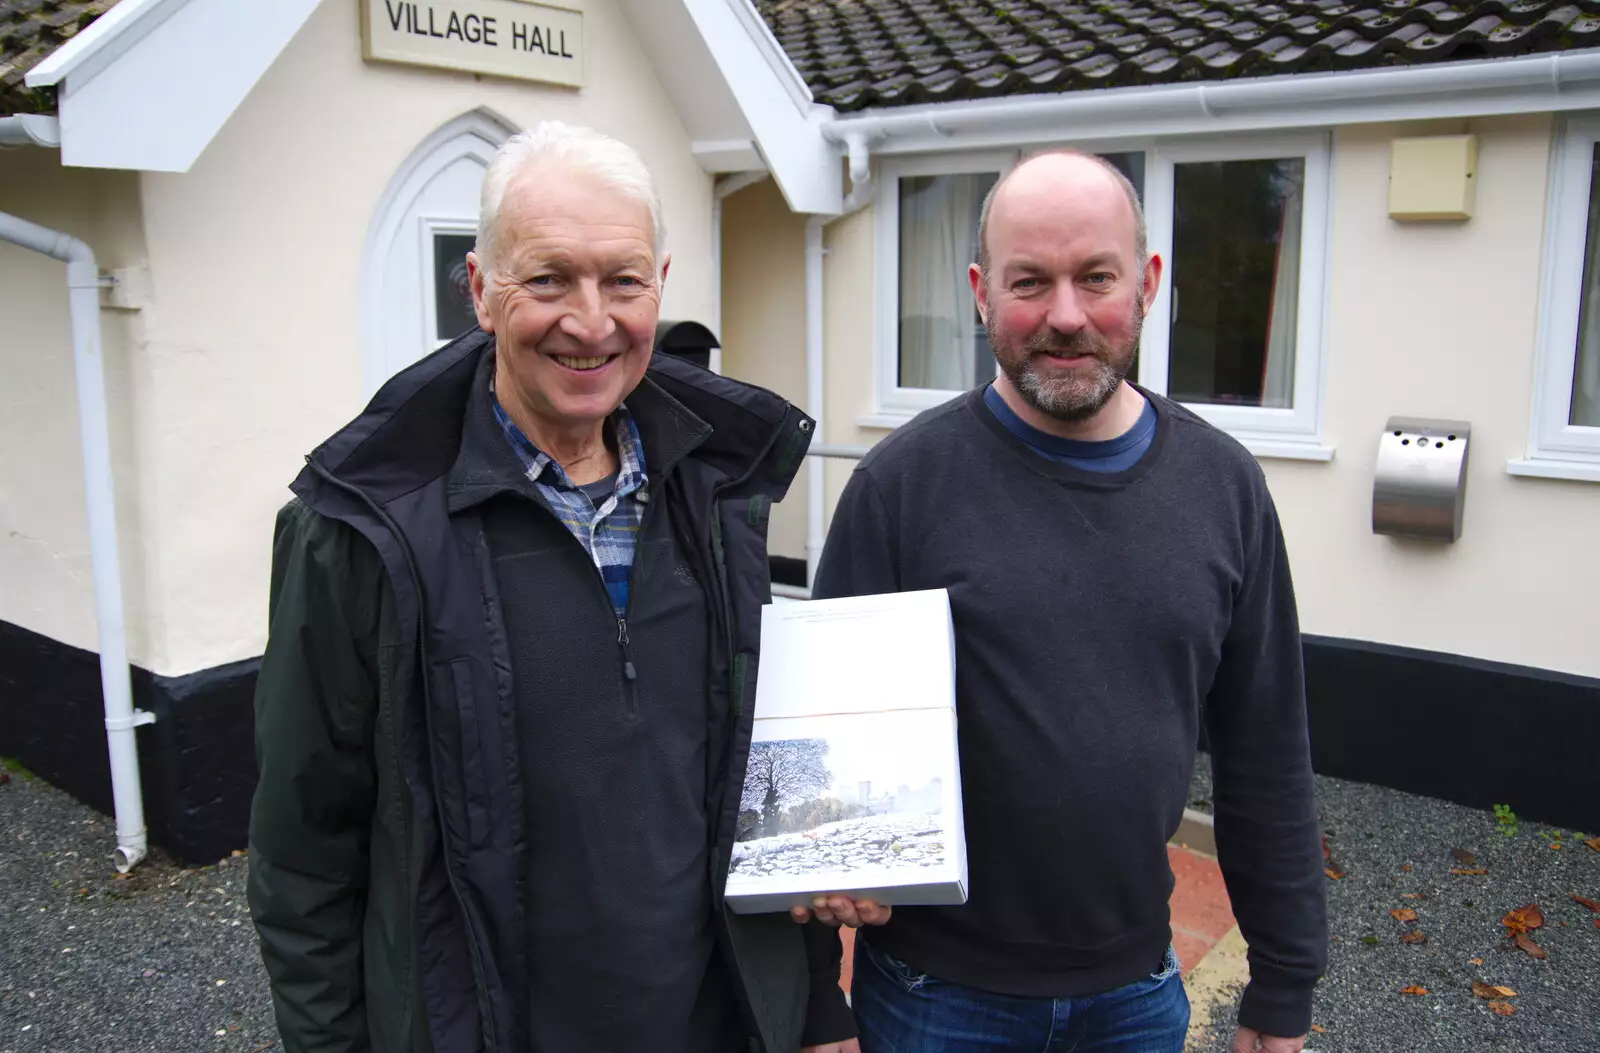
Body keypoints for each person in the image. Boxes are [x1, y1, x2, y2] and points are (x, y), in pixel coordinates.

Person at [246, 121, 860, 1052]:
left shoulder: (717, 491)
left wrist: (814, 1005)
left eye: (622, 279)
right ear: (481, 291)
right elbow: (303, 856)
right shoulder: (358, 533)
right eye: (547, 278)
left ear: (660, 281)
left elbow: (758, 771)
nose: (590, 321)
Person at [804, 149, 1328, 1052]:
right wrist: (817, 1007)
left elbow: (1266, 752)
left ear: (1148, 281)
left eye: (1096, 277)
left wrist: (1284, 984)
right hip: (936, 999)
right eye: (1029, 282)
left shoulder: (1224, 487)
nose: (1066, 315)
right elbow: (818, 764)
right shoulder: (901, 488)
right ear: (979, 291)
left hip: (1138, 997)